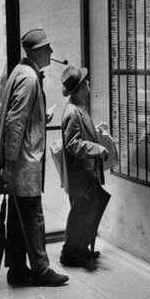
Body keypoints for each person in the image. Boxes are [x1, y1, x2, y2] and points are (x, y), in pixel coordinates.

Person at [0, 28, 69, 287]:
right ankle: (42, 270)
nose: (52, 52)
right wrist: (9, 167)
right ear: (39, 51)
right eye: (48, 49)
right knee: (33, 217)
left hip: (20, 161)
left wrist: (43, 117)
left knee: (19, 219)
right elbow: (15, 123)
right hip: (23, 163)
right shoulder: (30, 79)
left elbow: (22, 118)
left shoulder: (21, 72)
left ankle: (18, 269)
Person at [60, 65, 111, 267]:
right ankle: (70, 253)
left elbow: (81, 135)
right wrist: (97, 149)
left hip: (85, 175)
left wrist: (95, 131)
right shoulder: (72, 112)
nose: (89, 84)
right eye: (86, 82)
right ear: (80, 88)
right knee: (79, 216)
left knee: (86, 214)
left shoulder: (78, 109)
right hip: (80, 175)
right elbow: (73, 143)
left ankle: (80, 251)